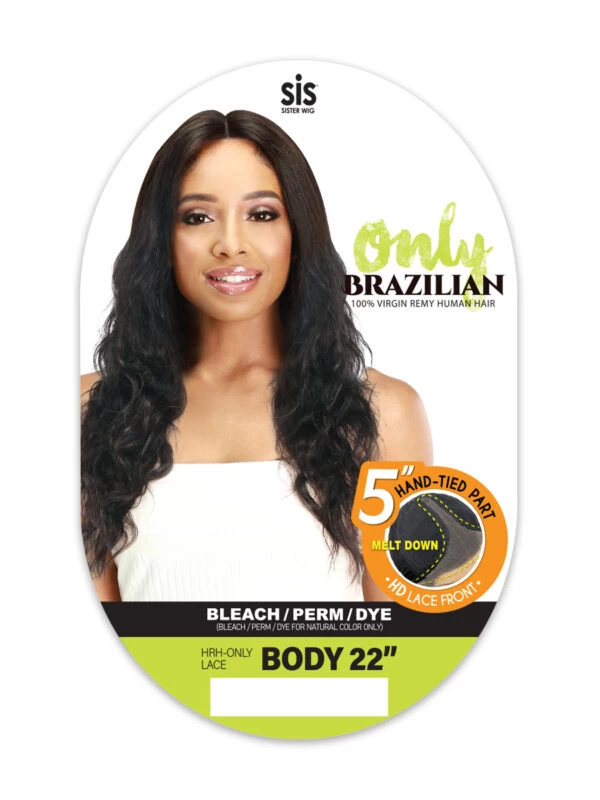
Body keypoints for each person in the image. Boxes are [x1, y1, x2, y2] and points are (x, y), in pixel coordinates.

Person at [80, 109, 432, 602]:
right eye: (197, 217)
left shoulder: (386, 413)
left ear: (297, 234)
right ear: (161, 240)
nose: (231, 244)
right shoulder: (90, 411)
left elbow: (402, 639)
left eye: (262, 214)